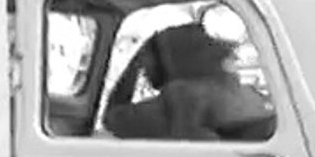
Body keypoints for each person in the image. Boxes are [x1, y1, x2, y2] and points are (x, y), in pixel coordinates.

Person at [102, 22, 276, 140]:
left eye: (148, 63)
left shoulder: (173, 103)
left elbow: (111, 120)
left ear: (168, 60)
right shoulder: (253, 99)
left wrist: (134, 65)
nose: (146, 72)